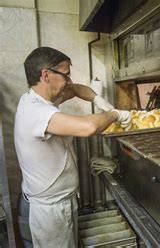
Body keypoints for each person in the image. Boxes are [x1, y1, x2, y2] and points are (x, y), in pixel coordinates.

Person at [14, 47, 131, 247]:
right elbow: (88, 127)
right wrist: (116, 115)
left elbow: (76, 89)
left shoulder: (42, 99)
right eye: (66, 75)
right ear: (46, 75)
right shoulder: (34, 111)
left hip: (59, 203)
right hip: (47, 212)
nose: (69, 81)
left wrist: (100, 101)